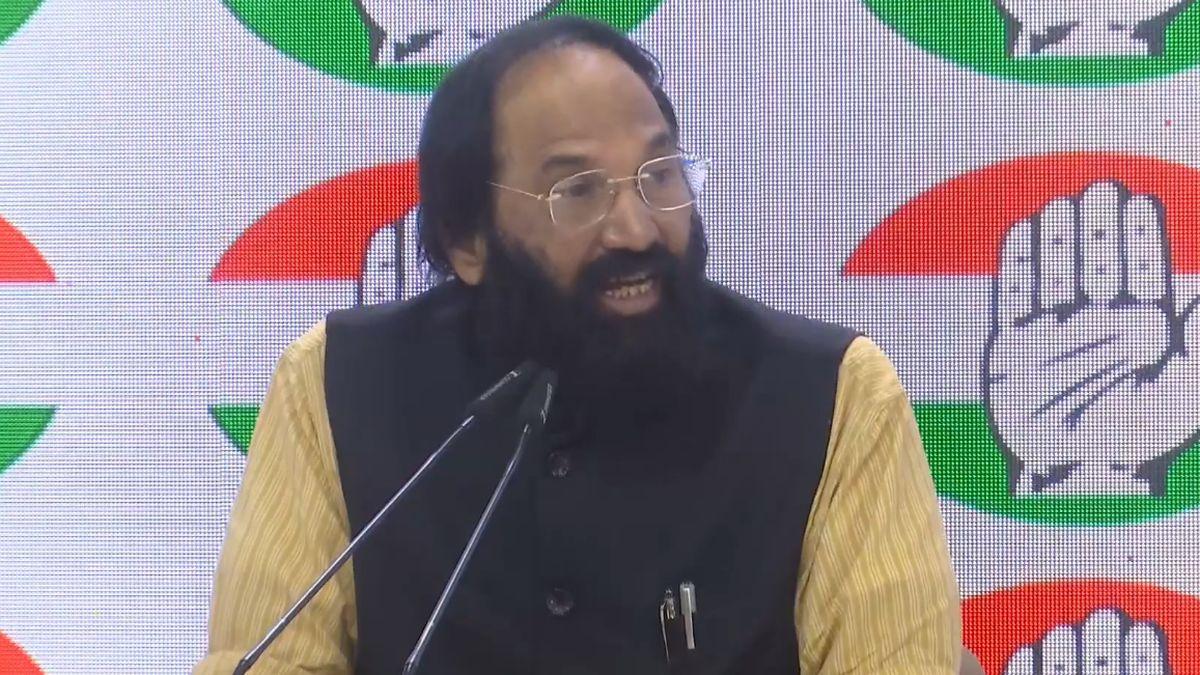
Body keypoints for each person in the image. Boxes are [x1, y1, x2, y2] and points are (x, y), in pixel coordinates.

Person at [195, 15, 961, 674]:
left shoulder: (829, 395)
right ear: (466, 240)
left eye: (660, 175)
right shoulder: (341, 383)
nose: (635, 229)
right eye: (579, 191)